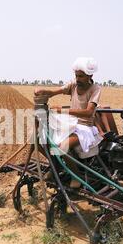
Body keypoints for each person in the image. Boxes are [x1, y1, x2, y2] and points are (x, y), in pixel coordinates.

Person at [34, 57, 102, 189]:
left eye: (81, 76)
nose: (78, 79)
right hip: (70, 123)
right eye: (76, 75)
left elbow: (89, 112)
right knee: (38, 141)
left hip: (84, 127)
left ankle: (76, 177)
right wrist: (43, 91)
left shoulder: (95, 89)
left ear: (90, 75)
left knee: (61, 147)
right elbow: (55, 92)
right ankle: (54, 167)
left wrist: (63, 110)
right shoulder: (73, 85)